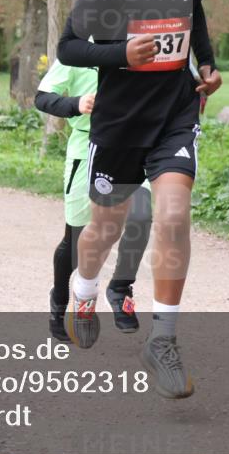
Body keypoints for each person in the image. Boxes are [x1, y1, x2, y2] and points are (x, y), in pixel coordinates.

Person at [57, 0, 221, 399]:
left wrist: (208, 62)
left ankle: (164, 337)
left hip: (174, 112)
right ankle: (84, 292)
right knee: (103, 230)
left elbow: (193, 15)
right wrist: (122, 53)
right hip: (120, 122)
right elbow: (69, 48)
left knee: (174, 212)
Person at [35, 58, 153, 341]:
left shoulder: (141, 42)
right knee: (77, 238)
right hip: (86, 147)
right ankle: (60, 304)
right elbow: (42, 96)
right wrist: (76, 104)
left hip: (130, 146)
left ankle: (121, 287)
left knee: (141, 215)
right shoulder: (77, 49)